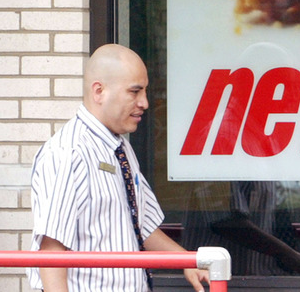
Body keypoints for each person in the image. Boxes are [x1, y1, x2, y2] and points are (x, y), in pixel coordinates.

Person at [27, 44, 209, 292]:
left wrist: (187, 261)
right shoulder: (69, 153)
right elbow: (51, 251)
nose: (144, 102)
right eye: (134, 92)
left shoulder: (119, 147)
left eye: (144, 91)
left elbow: (141, 224)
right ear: (99, 91)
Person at [182, 180, 300, 276]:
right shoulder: (218, 151)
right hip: (220, 278)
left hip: (265, 276)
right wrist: (289, 255)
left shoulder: (264, 158)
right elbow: (226, 222)